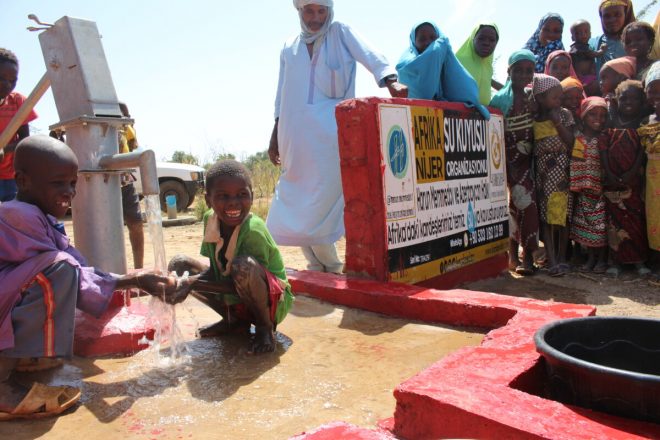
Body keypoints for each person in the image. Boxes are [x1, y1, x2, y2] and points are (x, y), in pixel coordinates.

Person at [0, 135, 177, 420]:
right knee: (57, 270)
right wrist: (134, 282)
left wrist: (140, 283)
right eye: (58, 182)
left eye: (73, 183)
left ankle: (19, 358)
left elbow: (83, 271)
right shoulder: (19, 216)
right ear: (22, 181)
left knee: (62, 268)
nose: (69, 191)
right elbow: (70, 273)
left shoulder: (41, 217)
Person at [267, 0, 407, 274]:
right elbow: (280, 92)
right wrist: (274, 136)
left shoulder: (340, 32)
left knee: (322, 198)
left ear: (329, 12)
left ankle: (331, 266)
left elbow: (370, 54)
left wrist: (390, 80)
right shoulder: (289, 47)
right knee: (296, 197)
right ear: (299, 11)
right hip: (293, 133)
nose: (316, 18)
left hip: (329, 134)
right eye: (309, 10)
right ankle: (316, 266)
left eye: (322, 11)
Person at [167, 160, 295, 354]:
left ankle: (264, 328)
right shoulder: (210, 220)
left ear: (252, 196)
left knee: (242, 266)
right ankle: (232, 321)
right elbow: (217, 272)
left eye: (242, 194)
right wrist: (182, 281)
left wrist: (191, 284)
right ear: (208, 200)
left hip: (271, 302)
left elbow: (245, 281)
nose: (233, 202)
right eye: (223, 196)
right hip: (239, 291)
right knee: (180, 265)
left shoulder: (253, 230)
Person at [489, 50, 538, 275]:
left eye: (529, 70)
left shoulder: (534, 96)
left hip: (529, 161)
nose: (524, 75)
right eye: (518, 70)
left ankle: (528, 256)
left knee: (527, 206)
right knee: (508, 207)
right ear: (509, 71)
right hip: (506, 160)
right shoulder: (500, 99)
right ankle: (512, 255)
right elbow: (493, 131)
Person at [602, 80, 650, 277]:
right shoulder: (610, 121)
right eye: (624, 98)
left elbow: (642, 152)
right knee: (613, 221)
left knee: (636, 220)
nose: (629, 102)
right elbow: (603, 148)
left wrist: (632, 172)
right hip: (612, 180)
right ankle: (616, 261)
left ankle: (638, 261)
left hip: (634, 181)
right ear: (616, 100)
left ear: (641, 101)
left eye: (634, 98)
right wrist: (609, 173)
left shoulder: (642, 123)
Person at [396, 21, 489, 118]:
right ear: (414, 42)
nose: (428, 43)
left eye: (433, 38)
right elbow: (424, 93)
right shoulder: (406, 66)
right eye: (422, 39)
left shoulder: (445, 63)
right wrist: (440, 44)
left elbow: (468, 92)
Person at [532, 74, 576, 276]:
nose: (559, 101)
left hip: (562, 174)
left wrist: (557, 123)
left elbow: (571, 143)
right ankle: (552, 259)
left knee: (562, 216)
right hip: (542, 176)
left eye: (561, 97)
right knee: (547, 218)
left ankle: (562, 257)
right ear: (540, 98)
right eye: (555, 97)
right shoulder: (534, 119)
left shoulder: (564, 114)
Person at [569, 97, 609, 273]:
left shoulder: (605, 138)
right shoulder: (579, 139)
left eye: (602, 115)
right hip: (584, 190)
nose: (597, 119)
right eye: (592, 114)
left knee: (601, 227)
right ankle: (591, 258)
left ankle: (601, 259)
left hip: (601, 191)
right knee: (585, 226)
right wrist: (579, 185)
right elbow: (576, 162)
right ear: (583, 116)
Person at [0, 48, 37, 203]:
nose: (8, 84)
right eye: (2, 78)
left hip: (10, 176)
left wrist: (5, 149)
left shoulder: (18, 102)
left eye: (13, 80)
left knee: (12, 220)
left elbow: (24, 139)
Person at [638, 61, 660, 276]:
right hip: (653, 179)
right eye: (652, 92)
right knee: (654, 218)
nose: (656, 98)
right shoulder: (647, 121)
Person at [117, 102, 145, 269]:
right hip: (103, 185)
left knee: (136, 223)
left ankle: (139, 270)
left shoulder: (126, 129)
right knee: (107, 230)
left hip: (125, 182)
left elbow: (133, 146)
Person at [455, 23, 501, 106]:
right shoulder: (457, 62)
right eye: (481, 38)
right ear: (473, 39)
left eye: (492, 40)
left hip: (481, 117)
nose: (486, 43)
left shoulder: (487, 66)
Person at [590, 0, 636, 79]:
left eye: (617, 14)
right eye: (607, 16)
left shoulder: (638, 42)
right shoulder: (591, 44)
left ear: (626, 14)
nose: (612, 20)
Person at [570, 20, 606, 97]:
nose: (583, 34)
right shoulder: (579, 47)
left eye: (586, 31)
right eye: (578, 33)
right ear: (572, 37)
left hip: (582, 78)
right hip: (584, 78)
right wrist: (602, 50)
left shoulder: (578, 47)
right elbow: (593, 54)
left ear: (590, 34)